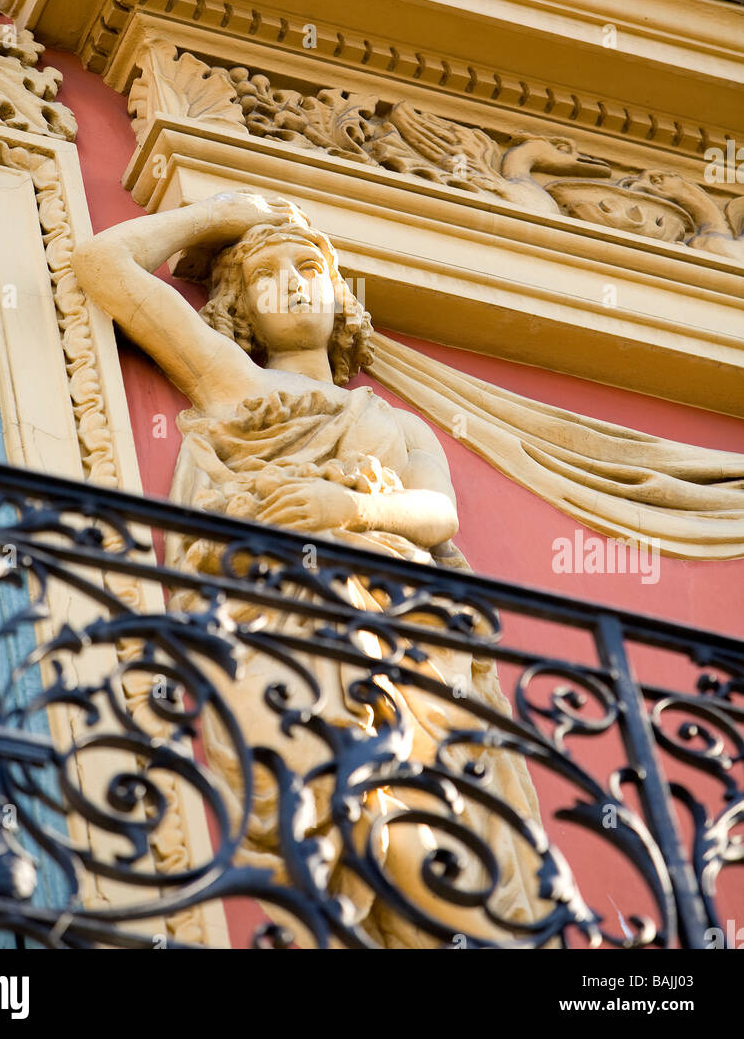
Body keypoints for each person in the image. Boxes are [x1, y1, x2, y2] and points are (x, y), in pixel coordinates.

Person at [73, 189, 550, 947]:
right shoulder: (236, 381)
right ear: (237, 308)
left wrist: (352, 512)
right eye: (268, 274)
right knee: (347, 797)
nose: (294, 282)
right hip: (292, 620)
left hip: (403, 622)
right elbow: (104, 262)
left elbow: (438, 514)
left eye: (310, 266)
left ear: (340, 295)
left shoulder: (396, 420)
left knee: (434, 799)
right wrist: (222, 213)